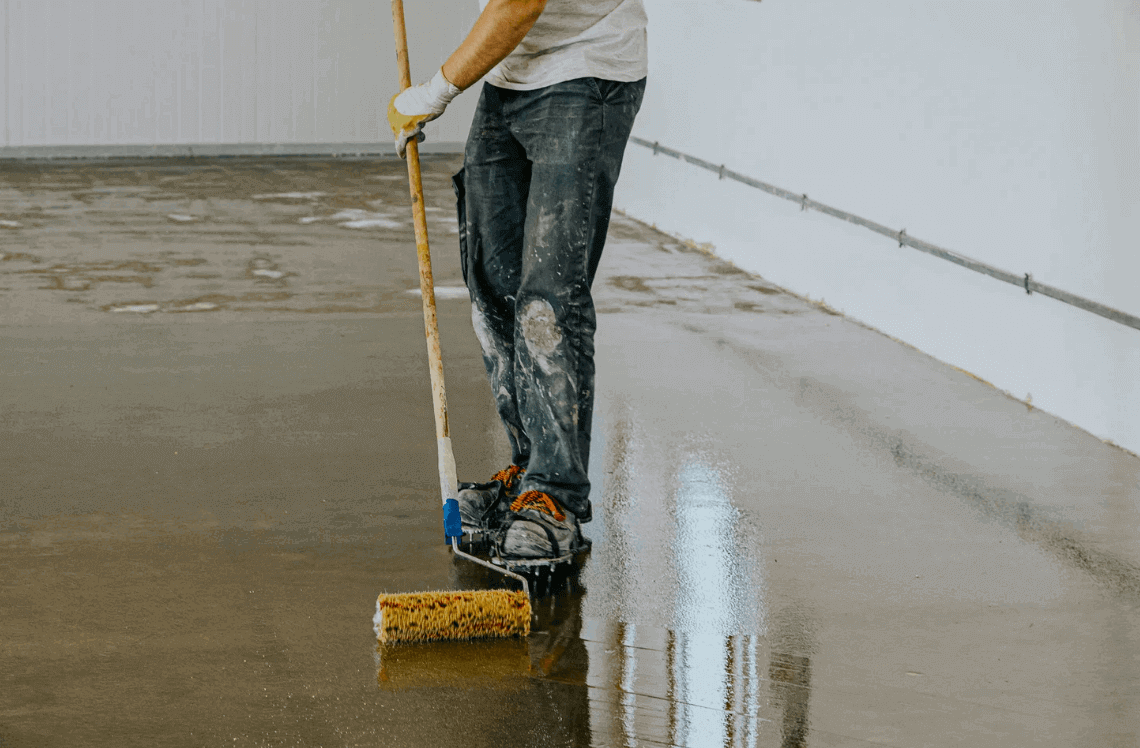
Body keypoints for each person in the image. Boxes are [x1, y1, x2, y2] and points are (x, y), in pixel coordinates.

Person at [389, 0, 647, 561]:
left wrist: (433, 93)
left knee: (548, 302)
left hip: (586, 72)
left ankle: (556, 495)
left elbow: (519, 4)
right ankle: (531, 469)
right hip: (512, 75)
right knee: (493, 286)